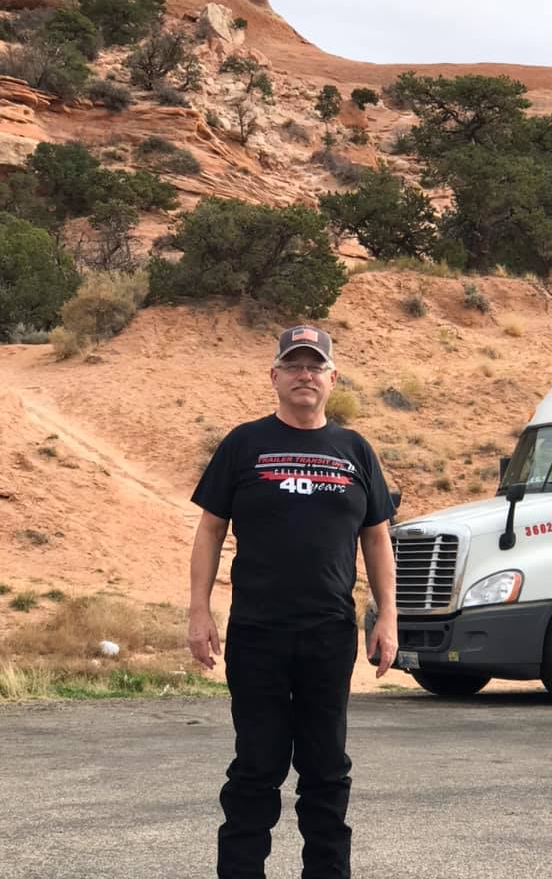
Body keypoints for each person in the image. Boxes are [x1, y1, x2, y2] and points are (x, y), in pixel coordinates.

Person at [187, 324, 398, 879]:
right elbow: (210, 531)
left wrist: (387, 618)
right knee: (257, 766)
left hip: (329, 633)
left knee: (326, 769)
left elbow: (376, 538)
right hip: (257, 632)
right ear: (275, 376)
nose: (305, 374)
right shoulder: (244, 443)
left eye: (315, 366)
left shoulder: (355, 450)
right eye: (294, 365)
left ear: (332, 378)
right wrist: (199, 611)